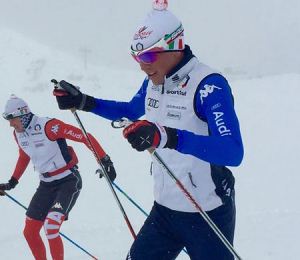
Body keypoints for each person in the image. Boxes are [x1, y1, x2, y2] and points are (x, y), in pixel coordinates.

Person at [53, 1, 244, 259]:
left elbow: (232, 152)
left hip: (207, 211)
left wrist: (168, 136)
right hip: (165, 211)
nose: (141, 65)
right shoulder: (155, 81)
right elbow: (131, 110)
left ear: (174, 46)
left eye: (147, 56)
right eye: (136, 57)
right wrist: (83, 102)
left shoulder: (209, 86)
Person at [0, 94, 116, 260]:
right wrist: (12, 182)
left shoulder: (50, 126)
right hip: (46, 184)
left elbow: (84, 136)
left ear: (24, 114)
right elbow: (24, 156)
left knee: (51, 227)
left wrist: (104, 159)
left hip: (68, 181)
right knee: (30, 232)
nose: (11, 124)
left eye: (13, 119)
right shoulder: (18, 133)